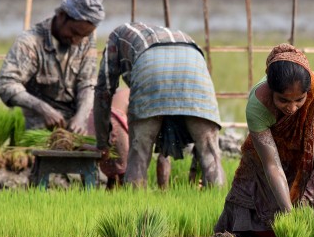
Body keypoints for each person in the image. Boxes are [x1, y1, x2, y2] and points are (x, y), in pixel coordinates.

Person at [214, 43, 314, 237]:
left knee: (310, 209)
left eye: (299, 100)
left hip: (307, 159)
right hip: (269, 156)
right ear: (271, 91)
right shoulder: (259, 104)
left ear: (307, 93)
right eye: (283, 100)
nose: (292, 108)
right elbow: (272, 166)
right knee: (247, 196)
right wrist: (288, 215)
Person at [93, 22, 225, 188]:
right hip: (195, 70)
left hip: (151, 69)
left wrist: (102, 143)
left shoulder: (116, 37)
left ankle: (135, 209)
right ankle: (220, 208)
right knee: (210, 153)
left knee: (139, 153)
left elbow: (103, 91)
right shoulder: (177, 34)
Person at [0, 0, 105, 134]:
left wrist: (81, 117)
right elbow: (4, 83)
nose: (76, 41)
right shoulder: (30, 42)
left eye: (83, 36)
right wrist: (43, 109)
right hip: (39, 126)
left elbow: (88, 83)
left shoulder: (85, 39)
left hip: (75, 127)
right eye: (74, 33)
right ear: (61, 15)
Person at [85, 88, 130, 189]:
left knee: (112, 174)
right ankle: (128, 201)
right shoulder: (135, 91)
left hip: (94, 117)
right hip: (112, 118)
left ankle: (110, 200)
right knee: (124, 172)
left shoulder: (118, 91)